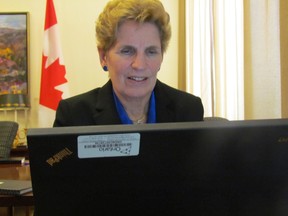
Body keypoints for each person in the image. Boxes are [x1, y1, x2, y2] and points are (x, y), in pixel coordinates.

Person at [53, 0, 204, 127]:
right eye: (127, 51)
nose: (139, 65)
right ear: (103, 56)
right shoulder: (73, 116)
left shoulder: (188, 111)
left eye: (151, 52)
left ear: (161, 57)